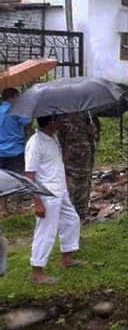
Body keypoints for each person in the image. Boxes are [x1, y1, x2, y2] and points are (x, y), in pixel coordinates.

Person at [26, 115, 83, 284]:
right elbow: (29, 176)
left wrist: (65, 184)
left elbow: (56, 163)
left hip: (60, 190)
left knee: (72, 220)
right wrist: (38, 202)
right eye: (58, 119)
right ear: (50, 122)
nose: (61, 122)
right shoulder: (35, 143)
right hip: (47, 193)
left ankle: (67, 258)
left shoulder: (53, 137)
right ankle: (37, 272)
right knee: (46, 232)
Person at [60, 112, 99, 219]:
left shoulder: (88, 115)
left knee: (83, 190)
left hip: (85, 162)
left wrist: (93, 131)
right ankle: (68, 219)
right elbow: (59, 139)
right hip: (69, 164)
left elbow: (95, 137)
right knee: (70, 192)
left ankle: (81, 217)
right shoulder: (61, 118)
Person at [0, 87, 32, 215]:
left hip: (0, 151)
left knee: (1, 179)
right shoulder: (16, 111)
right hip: (15, 150)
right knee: (18, 177)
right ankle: (19, 206)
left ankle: (3, 208)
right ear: (13, 97)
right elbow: (27, 121)